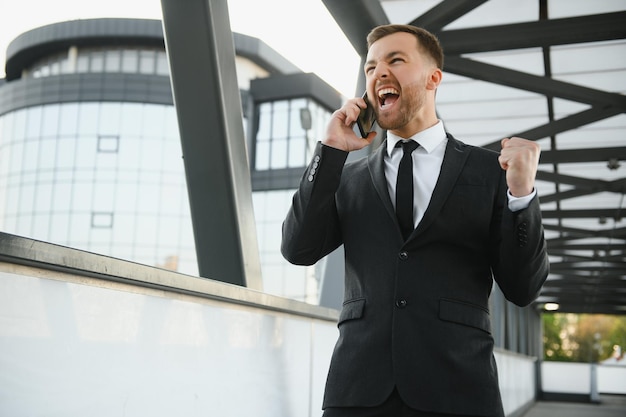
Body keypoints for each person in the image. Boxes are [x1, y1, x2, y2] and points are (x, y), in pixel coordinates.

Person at [281, 24, 549, 417]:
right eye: (371, 68)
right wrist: (330, 150)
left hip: (458, 389)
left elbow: (523, 288)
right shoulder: (348, 177)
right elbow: (298, 249)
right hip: (358, 392)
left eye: (395, 60)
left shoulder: (490, 172)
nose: (378, 74)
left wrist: (522, 193)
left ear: (433, 78)